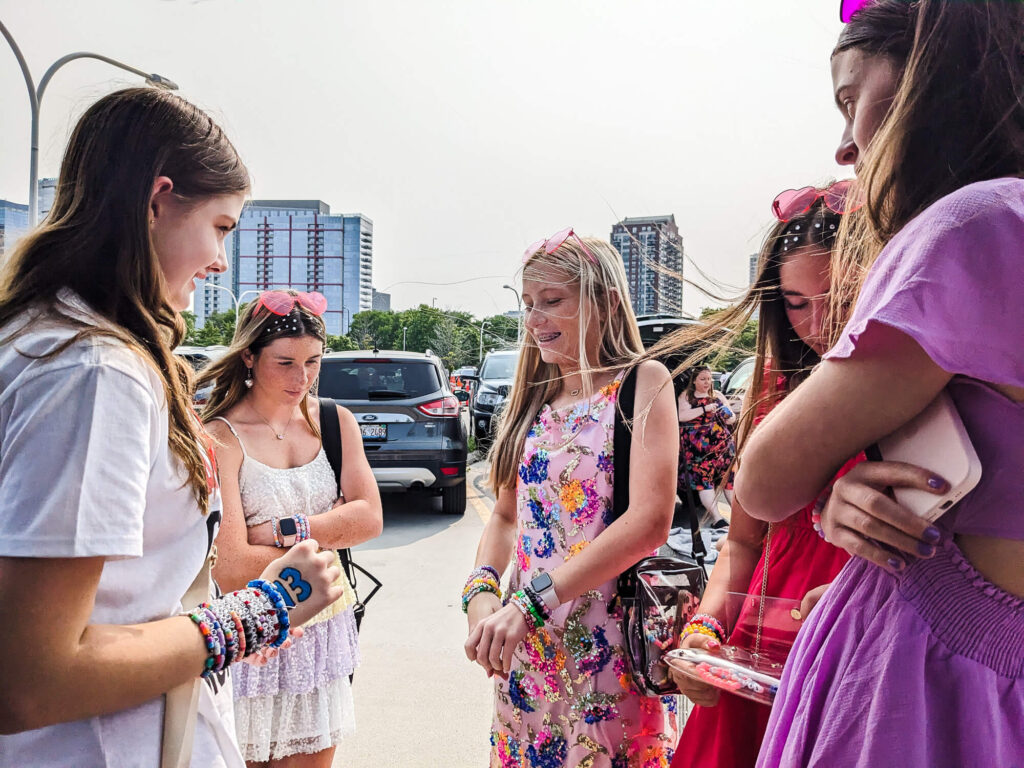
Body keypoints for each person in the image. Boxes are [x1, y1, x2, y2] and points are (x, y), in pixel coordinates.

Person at [0, 88, 342, 767]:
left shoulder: (35, 339)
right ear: (157, 202)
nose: (220, 261)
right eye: (220, 227)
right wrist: (268, 609)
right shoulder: (96, 373)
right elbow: (32, 676)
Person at [735, 2, 1024, 765]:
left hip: (919, 685)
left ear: (929, 70)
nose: (842, 145)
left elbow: (763, 481)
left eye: (847, 98)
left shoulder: (976, 225)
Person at [463, 229, 680, 768]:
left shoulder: (642, 381)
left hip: (611, 644)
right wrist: (481, 591)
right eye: (528, 304)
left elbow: (649, 522)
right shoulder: (533, 397)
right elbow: (506, 516)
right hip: (529, 646)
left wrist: (529, 601)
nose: (534, 319)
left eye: (552, 301)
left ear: (605, 303)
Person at [664, 193, 858, 768]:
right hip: (761, 656)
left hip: (864, 656)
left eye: (841, 298)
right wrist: (704, 630)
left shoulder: (932, 394)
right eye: (796, 303)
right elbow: (745, 541)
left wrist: (872, 596)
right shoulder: (777, 390)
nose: (820, 324)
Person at [199, 291, 383, 767]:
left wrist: (287, 530)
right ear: (248, 356)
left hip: (323, 633)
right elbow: (235, 565)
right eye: (285, 362)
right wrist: (330, 533)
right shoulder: (221, 436)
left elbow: (370, 518)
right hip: (251, 633)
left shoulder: (335, 422)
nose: (301, 378)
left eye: (313, 362)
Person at [677, 366, 736, 527]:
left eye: (709, 379)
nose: (707, 382)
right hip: (699, 450)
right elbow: (682, 416)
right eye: (703, 379)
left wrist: (727, 414)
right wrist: (704, 409)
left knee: (729, 480)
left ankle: (738, 517)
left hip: (722, 445)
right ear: (694, 381)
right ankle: (718, 519)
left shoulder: (718, 396)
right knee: (704, 482)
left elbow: (732, 419)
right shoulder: (686, 397)